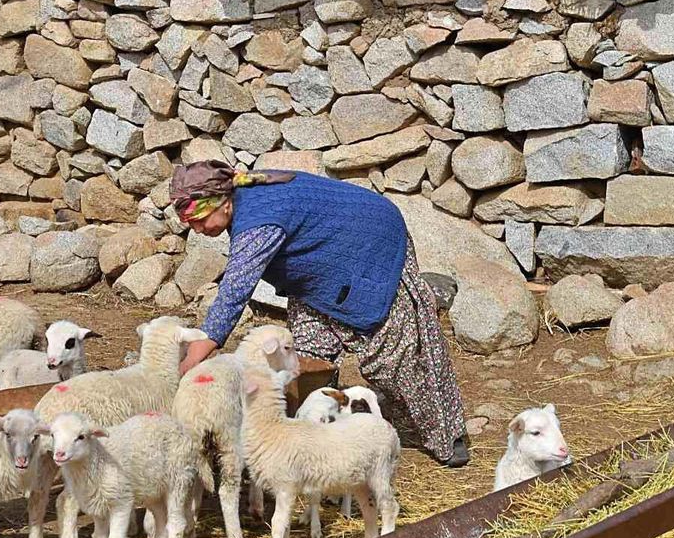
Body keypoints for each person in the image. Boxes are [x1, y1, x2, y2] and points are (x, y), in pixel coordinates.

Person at [171, 159, 470, 468]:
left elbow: (234, 292)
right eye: (190, 224)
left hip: (372, 245)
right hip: (322, 266)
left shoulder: (258, 222)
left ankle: (447, 437)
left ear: (222, 203)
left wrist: (195, 356)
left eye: (200, 219)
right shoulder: (245, 199)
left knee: (395, 358)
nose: (196, 229)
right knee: (303, 356)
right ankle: (310, 439)